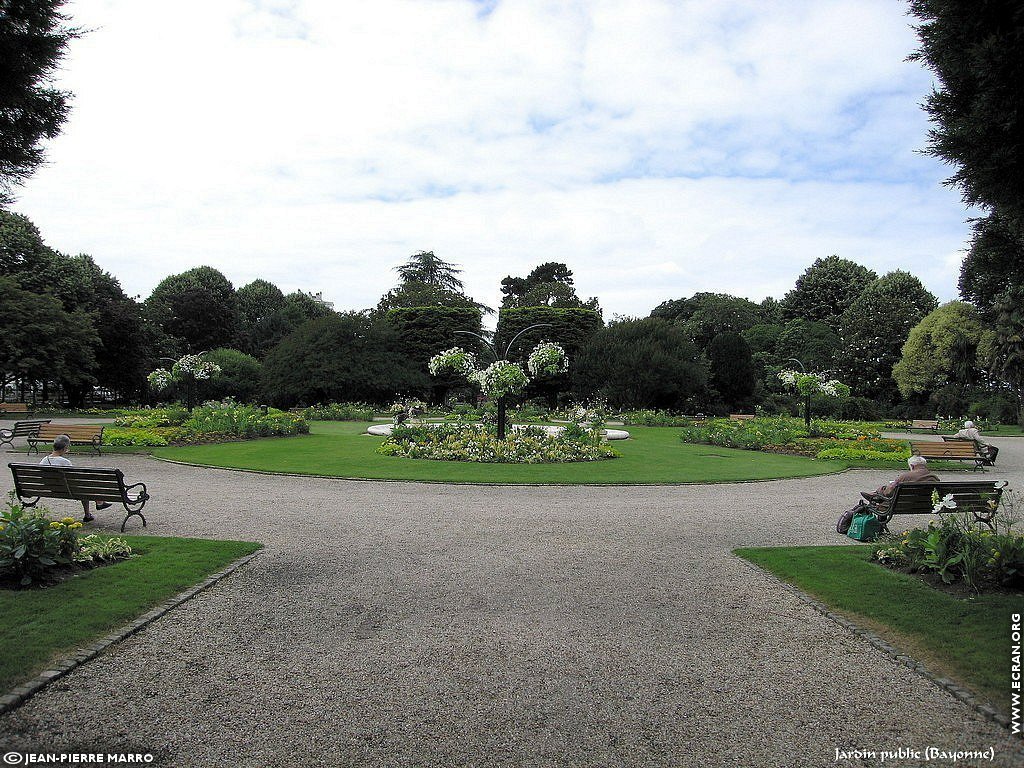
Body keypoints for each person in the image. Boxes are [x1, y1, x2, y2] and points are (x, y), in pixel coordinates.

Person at [39, 434, 111, 522]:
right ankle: (99, 502)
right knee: (86, 484)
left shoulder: (44, 460)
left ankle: (90, 512)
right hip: (68, 490)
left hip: (51, 489)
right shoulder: (65, 462)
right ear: (64, 448)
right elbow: (73, 479)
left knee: (83, 486)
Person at [861, 455, 939, 503]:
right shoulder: (934, 478)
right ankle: (874, 495)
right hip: (925, 505)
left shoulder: (905, 476)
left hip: (903, 504)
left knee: (883, 492)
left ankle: (874, 495)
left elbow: (889, 492)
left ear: (912, 466)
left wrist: (882, 489)